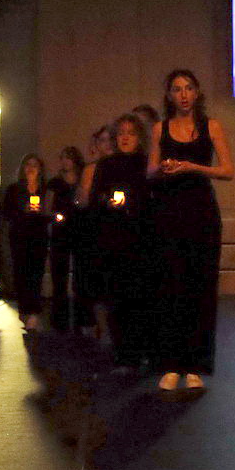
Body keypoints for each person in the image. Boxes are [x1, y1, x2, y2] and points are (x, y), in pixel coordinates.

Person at [148, 69, 234, 391]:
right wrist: (165, 167)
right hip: (169, 212)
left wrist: (192, 167)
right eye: (177, 89)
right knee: (171, 286)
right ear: (169, 95)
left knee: (201, 287)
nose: (183, 95)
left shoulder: (211, 126)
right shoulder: (160, 128)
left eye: (188, 88)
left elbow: (227, 170)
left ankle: (195, 365)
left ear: (197, 93)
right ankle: (171, 364)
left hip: (202, 212)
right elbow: (150, 171)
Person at [78, 114, 153, 368]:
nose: (125, 137)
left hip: (139, 239)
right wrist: (107, 202)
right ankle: (122, 353)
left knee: (139, 297)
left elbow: (152, 200)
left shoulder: (146, 164)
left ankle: (140, 350)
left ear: (139, 137)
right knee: (116, 297)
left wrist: (132, 205)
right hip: (112, 239)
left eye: (131, 133)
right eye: (121, 133)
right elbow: (95, 199)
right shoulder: (106, 165)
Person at [3, 154, 51, 330]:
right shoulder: (14, 189)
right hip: (20, 236)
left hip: (38, 236)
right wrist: (22, 210)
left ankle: (34, 311)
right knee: (21, 274)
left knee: (36, 274)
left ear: (40, 169)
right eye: (28, 164)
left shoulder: (45, 189)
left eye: (35, 165)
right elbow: (6, 212)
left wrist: (43, 212)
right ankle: (25, 309)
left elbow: (50, 212)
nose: (31, 168)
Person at [45, 147, 88, 331]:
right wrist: (55, 216)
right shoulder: (55, 183)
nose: (64, 161)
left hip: (79, 231)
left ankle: (80, 319)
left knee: (80, 274)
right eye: (62, 158)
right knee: (59, 275)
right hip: (60, 233)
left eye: (68, 158)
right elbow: (47, 208)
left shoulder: (82, 180)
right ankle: (59, 319)